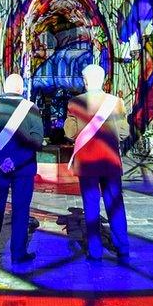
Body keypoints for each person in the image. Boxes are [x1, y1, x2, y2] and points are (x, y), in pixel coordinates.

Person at [64, 64, 130, 260]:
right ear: (104, 80)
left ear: (85, 81)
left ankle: (95, 251)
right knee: (115, 203)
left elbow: (70, 133)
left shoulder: (75, 102)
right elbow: (125, 132)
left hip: (88, 163)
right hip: (110, 161)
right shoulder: (116, 102)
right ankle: (122, 247)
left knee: (91, 206)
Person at [0, 74, 44, 264]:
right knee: (21, 210)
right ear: (22, 89)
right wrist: (16, 161)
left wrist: (1, 161)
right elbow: (37, 141)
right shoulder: (32, 109)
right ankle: (18, 254)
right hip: (23, 169)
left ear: (4, 88)